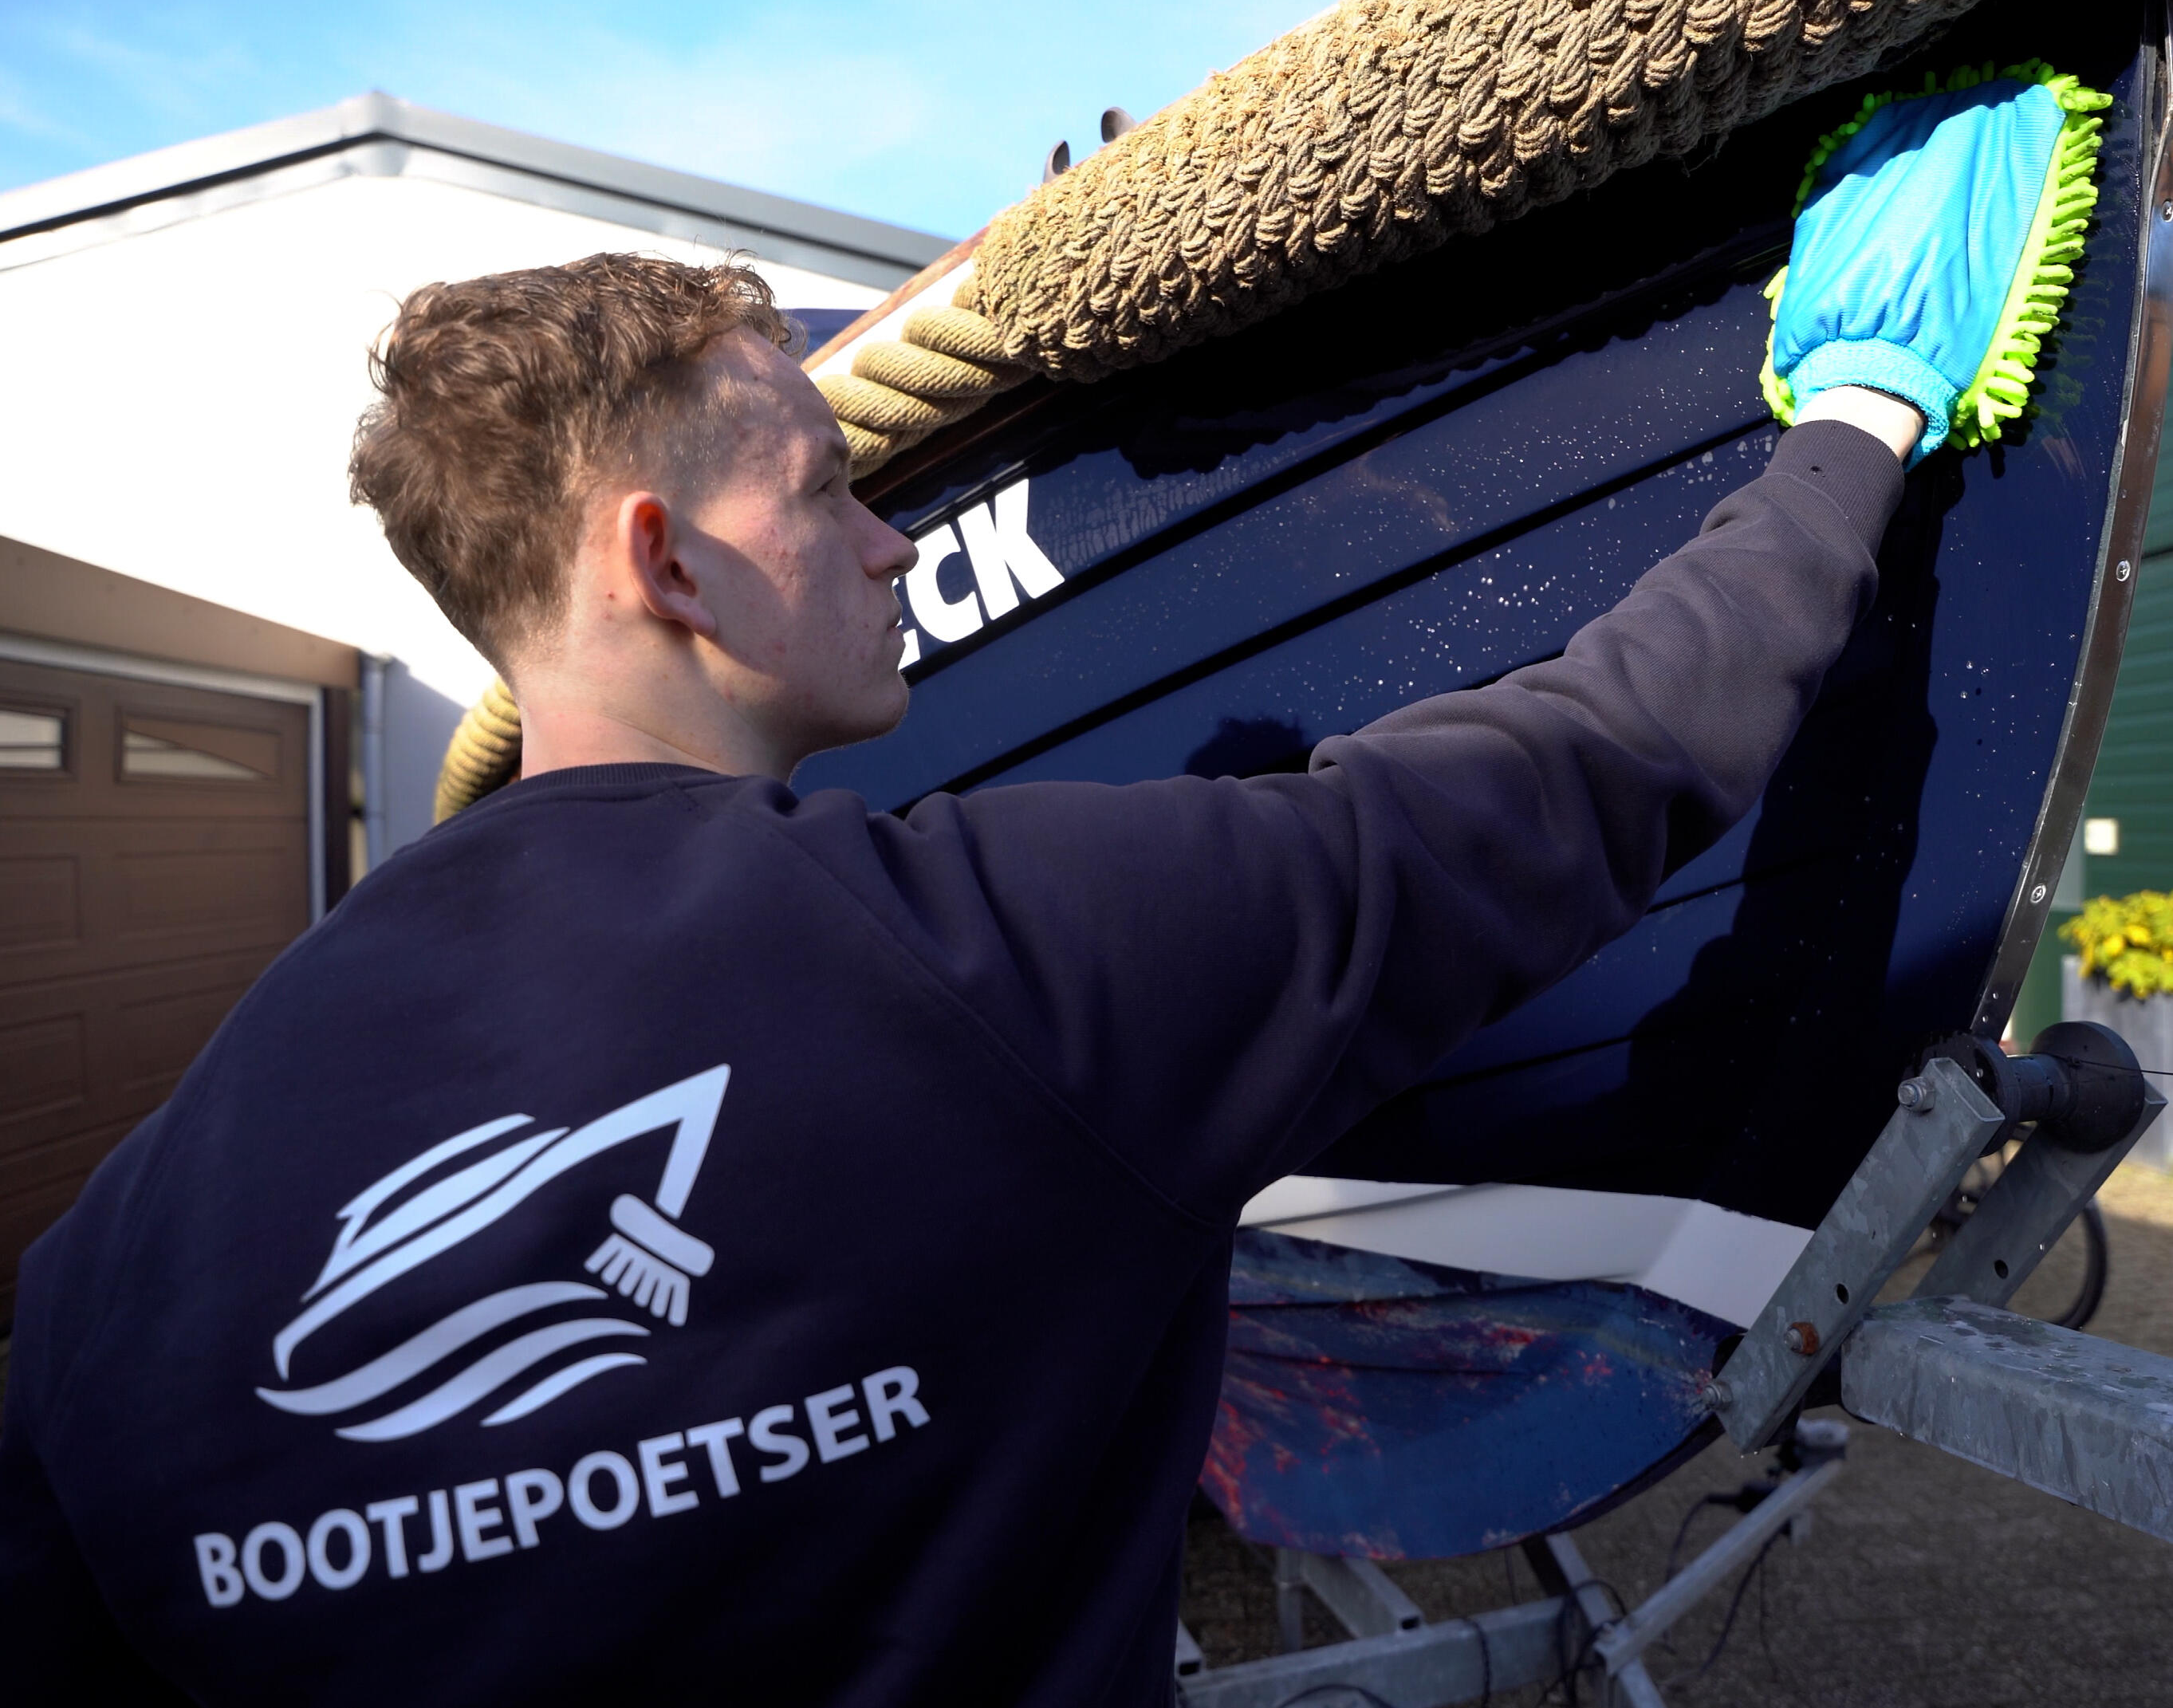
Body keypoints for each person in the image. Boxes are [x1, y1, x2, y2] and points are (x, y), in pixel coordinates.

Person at [2, 210, 1941, 1701]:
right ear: (668, 564)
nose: (888, 538)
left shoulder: (142, 1220)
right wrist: (1862, 415)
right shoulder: (988, 966)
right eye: (829, 485)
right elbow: (1579, 772)